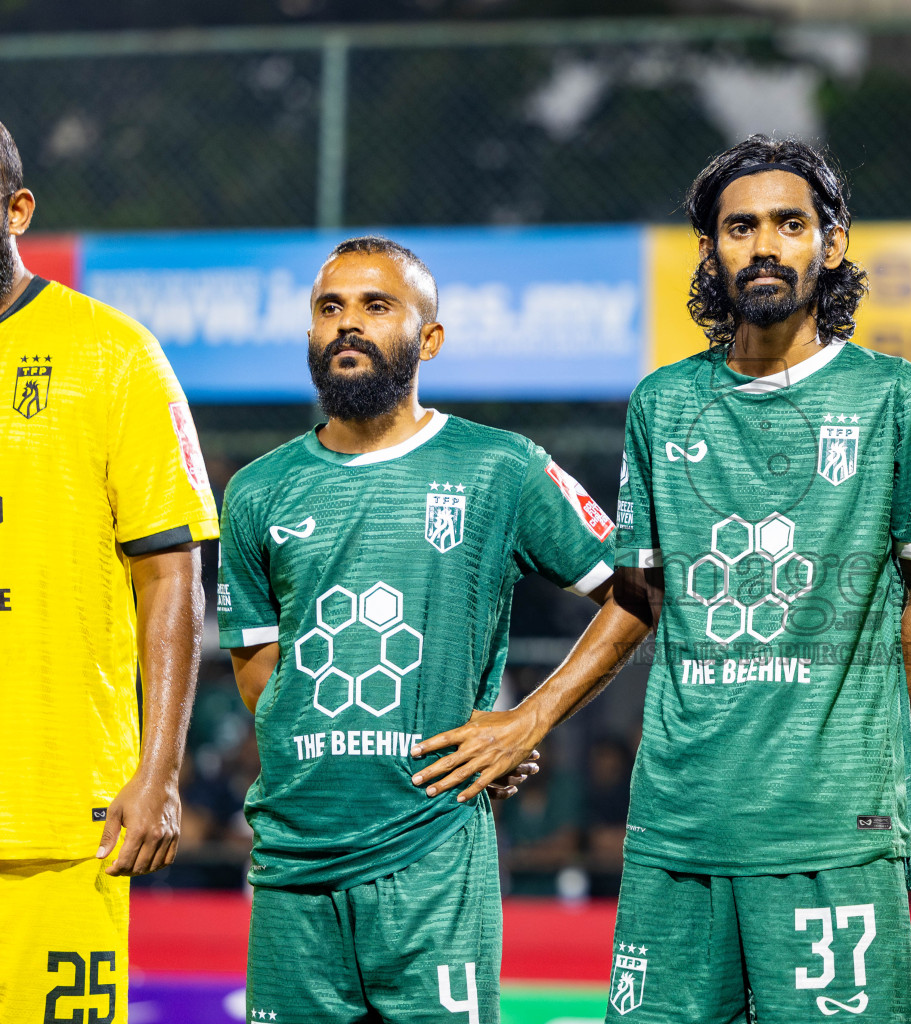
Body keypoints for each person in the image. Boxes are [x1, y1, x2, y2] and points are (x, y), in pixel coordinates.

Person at [410, 135, 911, 1023]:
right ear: (711, 251)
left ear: (834, 239)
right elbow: (638, 596)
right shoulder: (662, 404)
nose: (765, 245)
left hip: (829, 827)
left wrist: (856, 740)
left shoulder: (897, 398)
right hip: (679, 821)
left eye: (790, 223)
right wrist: (531, 716)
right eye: (739, 227)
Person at [218, 236, 610, 1023]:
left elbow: (637, 592)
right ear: (310, 334)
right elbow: (258, 670)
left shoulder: (500, 466)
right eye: (330, 309)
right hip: (293, 863)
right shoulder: (257, 492)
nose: (348, 325)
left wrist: (524, 720)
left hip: (431, 855)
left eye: (376, 306)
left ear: (428, 337)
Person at [0, 121, 217, 1021]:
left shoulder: (112, 352)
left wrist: (159, 772)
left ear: (18, 209)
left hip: (59, 815)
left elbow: (171, 576)